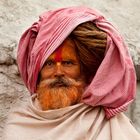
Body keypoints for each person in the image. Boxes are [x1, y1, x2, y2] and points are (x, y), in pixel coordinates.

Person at [3, 6, 140, 140]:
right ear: (38, 72)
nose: (58, 72)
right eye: (49, 64)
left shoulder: (106, 123)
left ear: (85, 70)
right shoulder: (20, 125)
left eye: (68, 63)